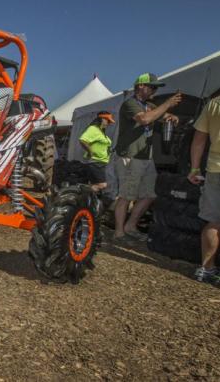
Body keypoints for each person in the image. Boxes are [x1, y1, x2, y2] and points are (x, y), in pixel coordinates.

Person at [113, 73, 181, 243]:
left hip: (146, 158)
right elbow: (144, 119)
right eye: (152, 87)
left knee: (150, 194)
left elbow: (161, 116)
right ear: (141, 86)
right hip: (131, 156)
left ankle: (130, 226)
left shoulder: (149, 105)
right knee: (126, 196)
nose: (155, 91)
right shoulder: (129, 103)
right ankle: (119, 233)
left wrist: (171, 117)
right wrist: (167, 104)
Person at [188, 95, 220, 283]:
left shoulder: (215, 103)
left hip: (216, 169)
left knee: (213, 221)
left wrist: (194, 168)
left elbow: (199, 138)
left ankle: (206, 268)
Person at [79, 111, 115, 192]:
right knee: (102, 185)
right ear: (102, 119)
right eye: (108, 121)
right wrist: (90, 152)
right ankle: (82, 192)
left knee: (98, 184)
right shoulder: (93, 129)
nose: (109, 123)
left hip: (103, 162)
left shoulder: (101, 131)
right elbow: (83, 140)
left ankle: (87, 200)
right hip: (96, 161)